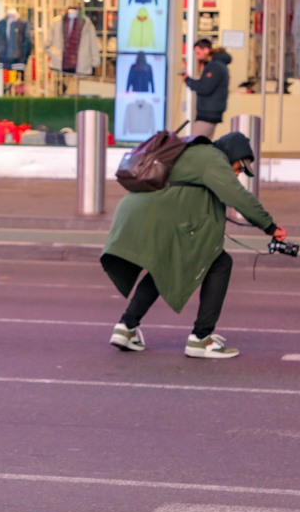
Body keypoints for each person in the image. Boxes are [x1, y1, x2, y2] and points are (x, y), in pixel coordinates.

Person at [101, 132, 285, 360]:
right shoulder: (212, 158)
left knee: (163, 266)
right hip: (158, 215)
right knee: (220, 263)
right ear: (233, 155)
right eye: (240, 167)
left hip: (138, 211)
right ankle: (201, 338)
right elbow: (237, 195)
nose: (238, 173)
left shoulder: (191, 153)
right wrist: (270, 226)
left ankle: (126, 327)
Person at [184, 38, 231, 139]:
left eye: (198, 53)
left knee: (194, 145)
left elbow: (205, 88)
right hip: (211, 113)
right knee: (203, 146)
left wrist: (187, 80)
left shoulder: (215, 67)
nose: (197, 57)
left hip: (207, 114)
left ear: (206, 50)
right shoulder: (217, 65)